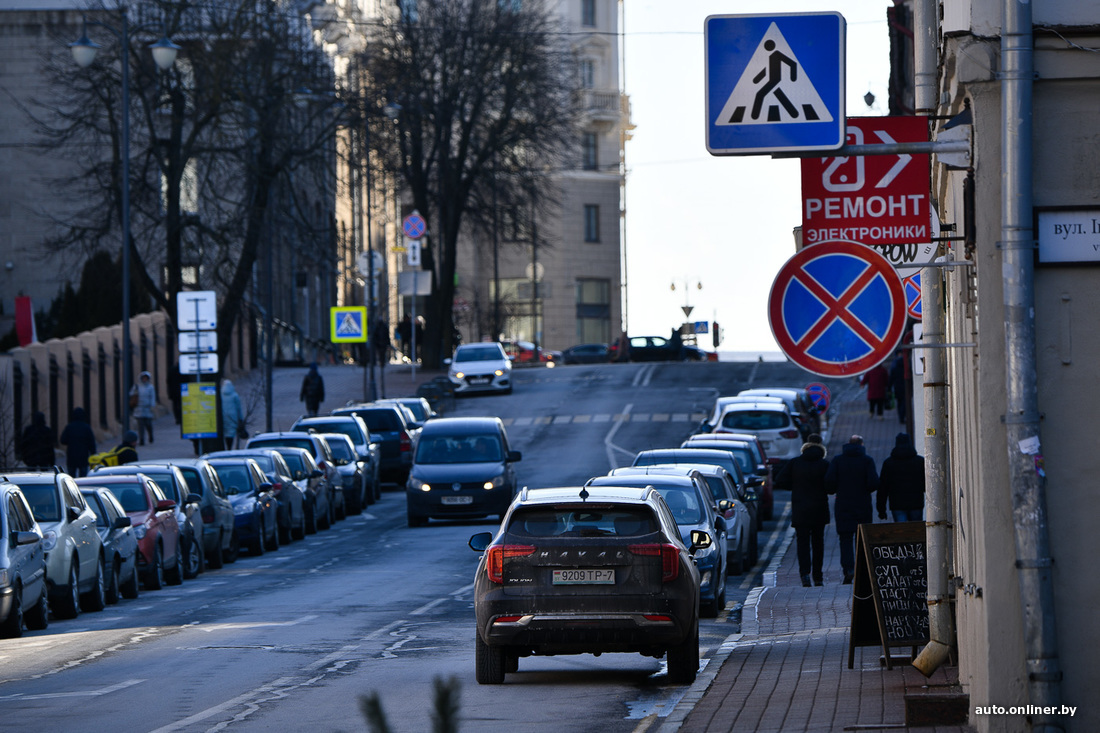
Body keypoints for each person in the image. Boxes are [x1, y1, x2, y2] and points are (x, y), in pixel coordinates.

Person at [774, 432, 830, 587]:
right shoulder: (825, 464)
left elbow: (780, 480)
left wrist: (795, 487)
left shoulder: (795, 463)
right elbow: (831, 485)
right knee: (818, 543)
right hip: (819, 508)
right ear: (821, 446)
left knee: (802, 543)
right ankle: (818, 577)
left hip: (800, 508)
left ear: (806, 445)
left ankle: (804, 575)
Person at [824, 434, 879, 584]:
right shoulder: (867, 460)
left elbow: (829, 481)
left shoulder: (838, 460)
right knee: (861, 539)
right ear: (861, 445)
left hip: (843, 504)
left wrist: (835, 490)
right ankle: (862, 570)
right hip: (862, 504)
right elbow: (873, 482)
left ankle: (848, 569)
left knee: (845, 538)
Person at [877, 433, 926, 522]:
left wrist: (881, 510)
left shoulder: (889, 463)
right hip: (916, 502)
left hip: (897, 504)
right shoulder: (920, 461)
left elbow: (883, 488)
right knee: (917, 528)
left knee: (901, 529)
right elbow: (925, 483)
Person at [59, 406, 97, 477]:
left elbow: (63, 440)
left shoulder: (69, 427)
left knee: (71, 477)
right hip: (83, 456)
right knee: (83, 477)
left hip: (72, 456)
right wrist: (93, 453)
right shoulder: (86, 427)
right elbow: (91, 443)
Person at [130, 370, 157, 445]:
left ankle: (150, 436)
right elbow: (131, 394)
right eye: (143, 378)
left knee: (148, 424)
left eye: (146, 378)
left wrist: (152, 406)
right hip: (139, 408)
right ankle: (142, 439)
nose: (144, 379)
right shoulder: (137, 386)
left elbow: (152, 397)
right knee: (140, 425)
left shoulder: (150, 387)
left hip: (147, 408)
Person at [221, 379, 244, 450]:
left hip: (223, 416)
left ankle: (225, 447)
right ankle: (229, 447)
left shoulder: (220, 395)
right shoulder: (235, 395)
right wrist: (240, 418)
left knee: (224, 431)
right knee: (231, 432)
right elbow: (238, 408)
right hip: (233, 416)